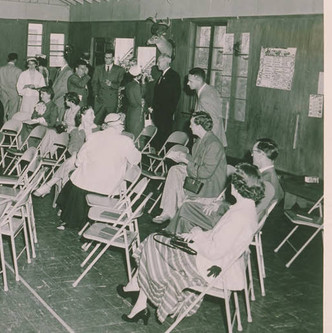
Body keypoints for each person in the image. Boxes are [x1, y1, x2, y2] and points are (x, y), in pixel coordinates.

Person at [119, 163, 264, 325]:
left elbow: (214, 251)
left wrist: (197, 237)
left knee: (153, 242)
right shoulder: (245, 209)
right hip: (213, 259)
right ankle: (138, 299)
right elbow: (218, 236)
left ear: (238, 186)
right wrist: (196, 234)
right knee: (156, 241)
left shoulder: (240, 216)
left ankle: (138, 293)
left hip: (208, 266)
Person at [167, 138, 284, 234]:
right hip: (235, 218)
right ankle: (178, 243)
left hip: (234, 224)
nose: (252, 154)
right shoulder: (270, 177)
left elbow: (249, 211)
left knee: (187, 207)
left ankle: (168, 236)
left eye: (254, 151)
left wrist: (221, 205)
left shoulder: (267, 183)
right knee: (185, 219)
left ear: (261, 154)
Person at [56, 113, 141, 230]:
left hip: (81, 188)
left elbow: (78, 161)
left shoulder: (93, 137)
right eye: (122, 125)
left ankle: (68, 218)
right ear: (118, 126)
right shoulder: (126, 141)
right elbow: (136, 160)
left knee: (74, 177)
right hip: (107, 191)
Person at [152, 111, 227, 223]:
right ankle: (168, 211)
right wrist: (182, 156)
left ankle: (180, 211)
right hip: (200, 174)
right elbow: (197, 160)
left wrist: (185, 160)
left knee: (178, 171)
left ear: (199, 126)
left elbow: (205, 173)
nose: (189, 126)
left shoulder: (214, 144)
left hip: (209, 184)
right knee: (175, 170)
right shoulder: (200, 140)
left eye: (192, 124)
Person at [33, 106, 98, 198]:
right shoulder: (76, 131)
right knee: (69, 165)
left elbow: (93, 148)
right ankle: (62, 198)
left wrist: (88, 131)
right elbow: (74, 146)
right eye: (91, 114)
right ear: (83, 116)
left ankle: (48, 185)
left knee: (69, 164)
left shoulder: (98, 130)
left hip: (94, 161)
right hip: (80, 161)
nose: (94, 116)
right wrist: (74, 156)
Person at [187, 67, 227, 147]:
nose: (188, 83)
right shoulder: (209, 89)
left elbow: (213, 122)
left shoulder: (205, 97)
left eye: (190, 81)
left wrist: (210, 144)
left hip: (210, 142)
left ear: (199, 80)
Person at [151, 53, 181, 150]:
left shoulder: (173, 76)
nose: (157, 64)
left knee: (163, 140)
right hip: (159, 114)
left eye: (159, 62)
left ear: (166, 62)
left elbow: (174, 97)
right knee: (158, 139)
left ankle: (161, 161)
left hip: (165, 115)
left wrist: (167, 112)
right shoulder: (162, 75)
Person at [91, 50, 125, 125]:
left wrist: (111, 84)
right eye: (105, 57)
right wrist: (96, 95)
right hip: (99, 100)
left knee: (110, 122)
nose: (106, 59)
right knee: (96, 122)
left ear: (113, 58)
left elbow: (121, 85)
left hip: (111, 100)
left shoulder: (120, 70)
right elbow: (94, 82)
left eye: (109, 58)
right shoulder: (98, 68)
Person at [0, 53, 23, 121]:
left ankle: (3, 126)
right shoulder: (18, 70)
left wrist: (0, 91)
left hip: (3, 92)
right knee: (13, 112)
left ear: (8, 59)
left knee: (3, 111)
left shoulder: (0, 69)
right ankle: (10, 127)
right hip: (14, 93)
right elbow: (20, 84)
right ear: (15, 60)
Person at [125, 65, 144, 139]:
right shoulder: (136, 86)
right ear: (139, 76)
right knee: (137, 134)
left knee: (130, 132)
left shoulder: (129, 84)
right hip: (137, 112)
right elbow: (140, 100)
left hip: (131, 111)